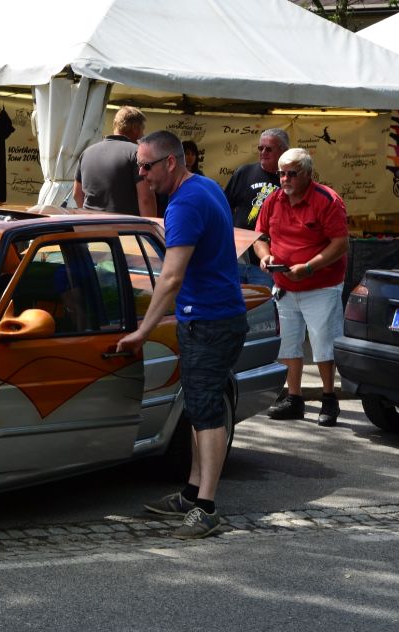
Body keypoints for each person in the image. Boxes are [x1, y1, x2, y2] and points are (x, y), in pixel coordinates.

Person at [116, 130, 248, 540]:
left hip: (209, 321)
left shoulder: (185, 203)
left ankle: (206, 507)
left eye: (147, 166)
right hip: (213, 317)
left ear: (170, 162)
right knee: (197, 407)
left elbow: (171, 276)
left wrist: (142, 331)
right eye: (139, 166)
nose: (142, 175)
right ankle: (192, 493)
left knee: (206, 411)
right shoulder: (205, 187)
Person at [253, 148, 349, 427]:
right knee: (289, 344)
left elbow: (340, 243)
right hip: (284, 284)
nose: (284, 179)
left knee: (323, 344)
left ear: (308, 174)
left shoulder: (327, 200)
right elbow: (260, 235)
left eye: (291, 174)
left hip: (320, 284)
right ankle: (294, 398)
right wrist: (265, 256)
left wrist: (309, 267)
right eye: (281, 173)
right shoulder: (273, 199)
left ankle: (329, 398)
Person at [223, 128, 290, 287]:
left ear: (283, 151)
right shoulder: (244, 172)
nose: (263, 152)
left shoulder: (289, 178)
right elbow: (224, 207)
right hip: (237, 258)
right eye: (261, 148)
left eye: (269, 149)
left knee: (263, 309)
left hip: (267, 263)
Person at [73, 106, 157, 217]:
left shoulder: (86, 153)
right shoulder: (138, 153)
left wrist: (87, 215)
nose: (143, 135)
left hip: (90, 227)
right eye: (142, 129)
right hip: (124, 229)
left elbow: (77, 194)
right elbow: (146, 198)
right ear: (135, 128)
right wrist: (150, 228)